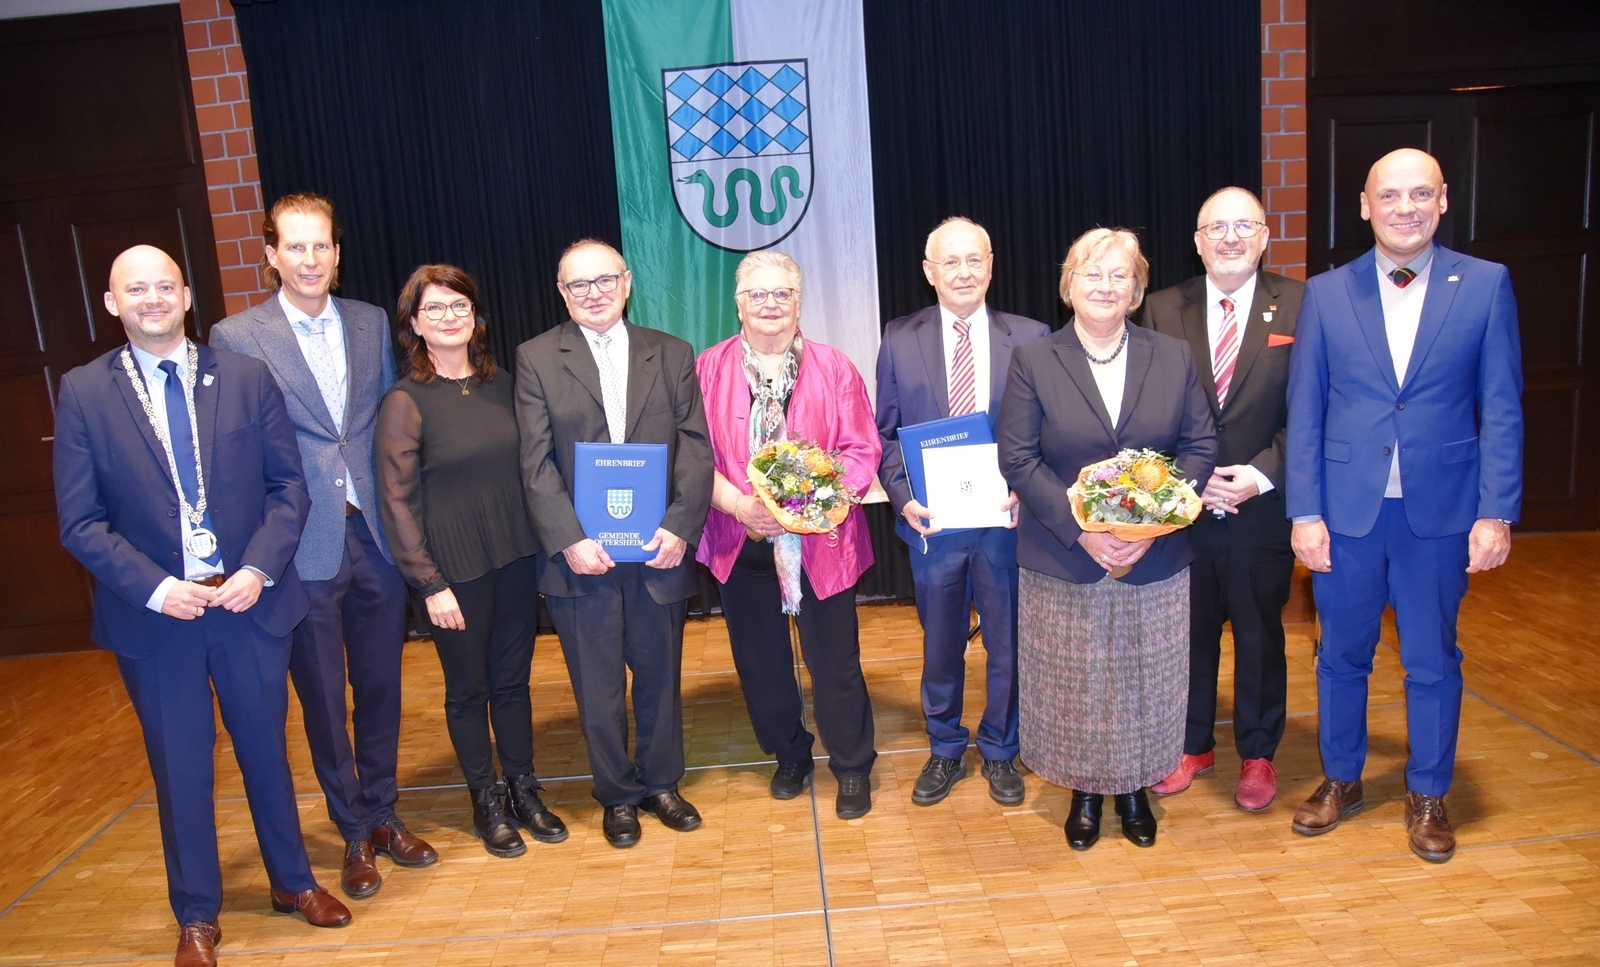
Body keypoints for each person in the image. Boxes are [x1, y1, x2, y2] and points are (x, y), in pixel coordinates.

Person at [54, 245, 351, 967]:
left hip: (247, 603)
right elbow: (79, 521)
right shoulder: (84, 391)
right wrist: (157, 587)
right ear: (111, 302)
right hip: (157, 618)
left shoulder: (245, 377)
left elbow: (290, 488)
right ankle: (195, 915)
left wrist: (257, 566)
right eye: (136, 288)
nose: (152, 298)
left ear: (187, 296)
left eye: (164, 285)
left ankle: (292, 881)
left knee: (265, 754)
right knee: (180, 765)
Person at [1286, 148, 1523, 862]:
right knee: (1340, 657)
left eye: (1421, 193)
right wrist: (1304, 512)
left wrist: (1496, 510)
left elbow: (1502, 405)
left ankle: (1428, 791)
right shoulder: (1325, 294)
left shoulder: (1484, 285)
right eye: (1390, 196)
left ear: (1444, 199)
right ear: (1365, 206)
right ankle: (1342, 777)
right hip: (1346, 512)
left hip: (1441, 514)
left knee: (1431, 659)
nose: (1406, 207)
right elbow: (1307, 411)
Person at [210, 193, 435, 899]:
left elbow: (387, 424)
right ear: (271, 254)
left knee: (380, 688)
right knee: (323, 701)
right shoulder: (236, 335)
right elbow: (235, 450)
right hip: (299, 542)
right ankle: (353, 831)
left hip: (373, 532)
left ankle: (383, 809)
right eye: (295, 247)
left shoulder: (371, 322)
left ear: (338, 254)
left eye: (322, 246)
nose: (310, 259)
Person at [998, 228, 1216, 850]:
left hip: (1156, 555)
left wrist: (1156, 523)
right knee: (1077, 682)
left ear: (1137, 288)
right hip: (1064, 555)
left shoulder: (1172, 355)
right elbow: (1019, 458)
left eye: (1119, 275)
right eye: (1092, 273)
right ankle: (1086, 791)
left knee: (1145, 678)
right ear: (1069, 286)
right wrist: (1083, 532)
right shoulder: (1036, 359)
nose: (1106, 285)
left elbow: (1200, 446)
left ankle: (1133, 788)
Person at [516, 239, 714, 849]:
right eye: (579, 285)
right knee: (597, 688)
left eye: (605, 280)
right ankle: (618, 795)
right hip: (584, 558)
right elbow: (535, 462)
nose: (593, 293)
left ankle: (660, 784)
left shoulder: (672, 352)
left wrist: (681, 526)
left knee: (660, 676)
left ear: (627, 283)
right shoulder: (537, 358)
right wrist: (569, 540)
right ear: (562, 293)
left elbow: (695, 447)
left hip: (657, 550)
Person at [375, 264, 567, 859]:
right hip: (451, 573)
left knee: (512, 683)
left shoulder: (501, 382)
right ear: (414, 324)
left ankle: (523, 787)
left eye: (459, 305)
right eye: (434, 309)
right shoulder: (405, 401)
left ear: (476, 315)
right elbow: (396, 501)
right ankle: (485, 800)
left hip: (513, 555)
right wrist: (428, 583)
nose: (449, 317)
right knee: (468, 690)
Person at [697, 250, 881, 819]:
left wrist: (804, 506)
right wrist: (739, 504)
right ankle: (790, 753)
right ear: (739, 304)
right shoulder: (706, 367)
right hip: (741, 537)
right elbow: (690, 452)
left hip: (821, 542)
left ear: (799, 304)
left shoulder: (835, 367)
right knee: (761, 662)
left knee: (836, 662)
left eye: (782, 294)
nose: (770, 304)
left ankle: (851, 767)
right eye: (758, 294)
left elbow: (861, 449)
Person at [875, 217, 1049, 808]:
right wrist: (904, 498)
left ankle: (1002, 748)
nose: (964, 272)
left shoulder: (1031, 337)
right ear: (929, 273)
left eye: (974, 259)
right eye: (951, 262)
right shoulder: (900, 338)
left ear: (992, 264)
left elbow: (1050, 431)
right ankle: (945, 747)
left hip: (1008, 525)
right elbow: (888, 435)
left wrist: (1032, 490)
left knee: (1008, 646)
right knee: (940, 645)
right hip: (935, 526)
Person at [1142, 188, 1305, 812]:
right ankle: (1193, 744)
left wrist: (1262, 474)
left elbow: (1314, 406)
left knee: (1261, 635)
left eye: (1244, 226)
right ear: (1198, 241)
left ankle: (1259, 753)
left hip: (1261, 507)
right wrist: (1189, 477)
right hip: (1184, 509)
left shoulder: (1300, 303)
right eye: (1217, 228)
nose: (1230, 238)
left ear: (1264, 236)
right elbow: (1144, 410)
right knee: (1188, 634)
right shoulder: (1160, 308)